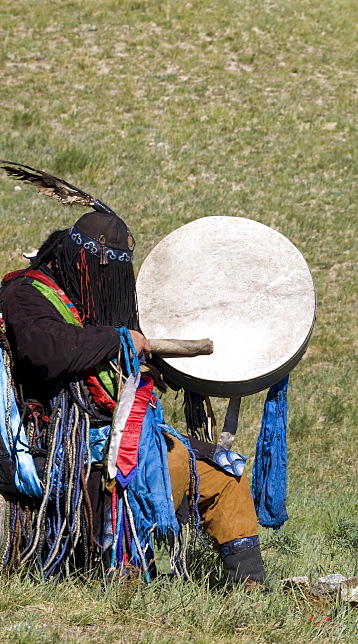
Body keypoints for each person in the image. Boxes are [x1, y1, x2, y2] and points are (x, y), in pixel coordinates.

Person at [0, 209, 266, 585]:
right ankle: (127, 573)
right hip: (65, 449)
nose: (109, 281)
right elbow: (47, 350)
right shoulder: (25, 295)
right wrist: (119, 340)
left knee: (226, 473)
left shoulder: (98, 300)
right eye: (101, 270)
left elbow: (146, 361)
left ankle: (249, 587)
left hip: (132, 433)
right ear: (78, 261)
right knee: (153, 467)